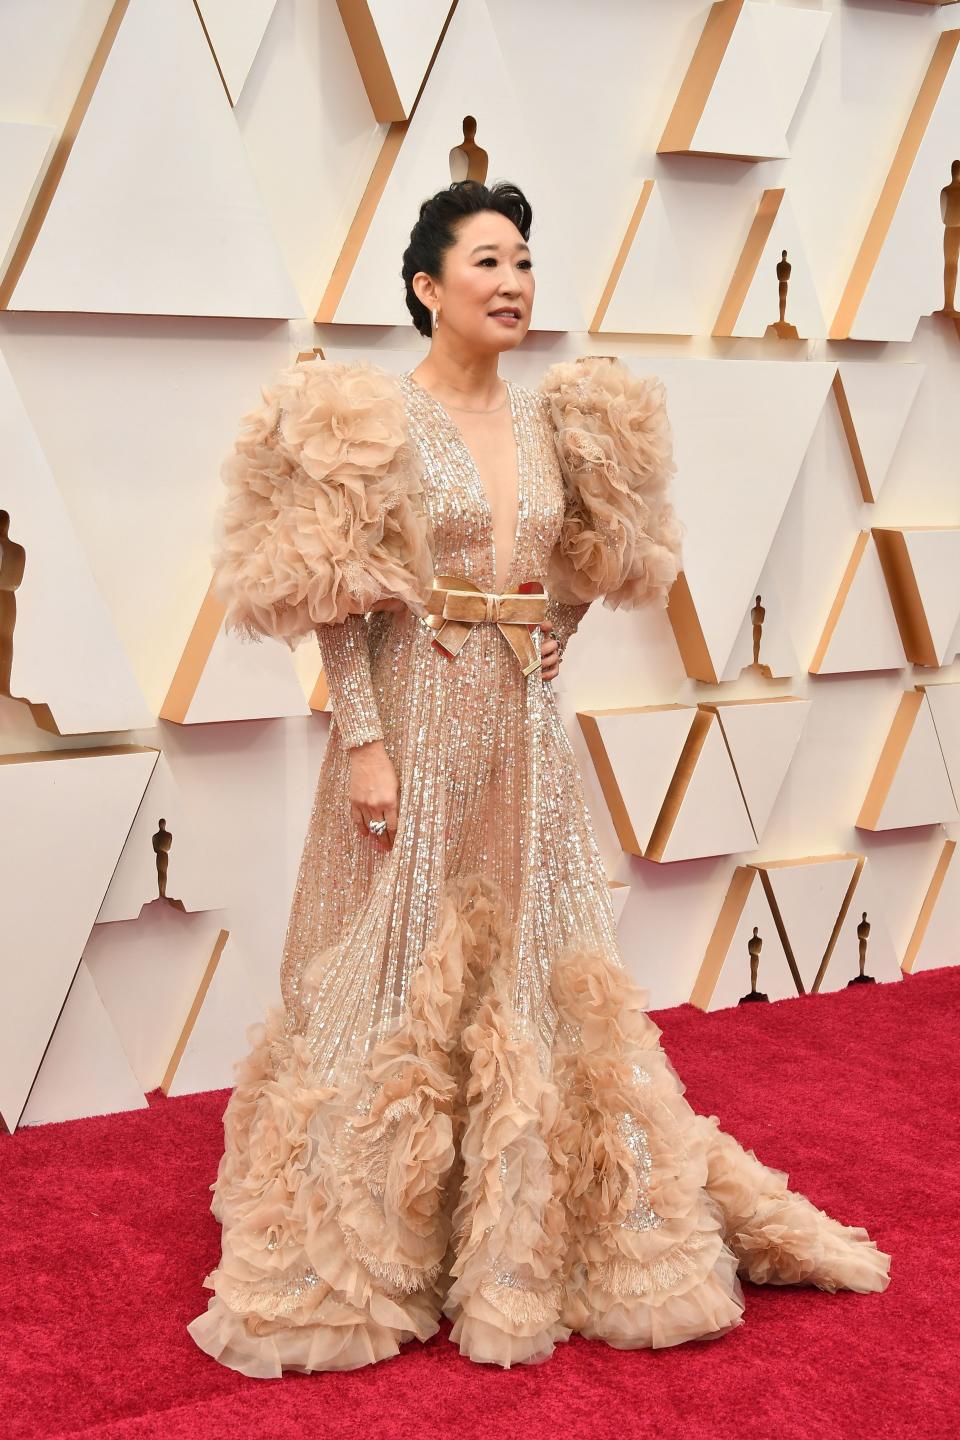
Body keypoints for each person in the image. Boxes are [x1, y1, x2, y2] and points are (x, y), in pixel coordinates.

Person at [186, 180, 890, 1378]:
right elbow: (340, 607)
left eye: (523, 262)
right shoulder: (375, 423)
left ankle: (525, 1224)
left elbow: (578, 563)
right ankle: (373, 1238)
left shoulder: (561, 422)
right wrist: (363, 741)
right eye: (487, 263)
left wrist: (552, 621)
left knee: (536, 966)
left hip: (522, 732)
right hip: (411, 719)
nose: (513, 283)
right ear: (425, 286)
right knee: (397, 971)